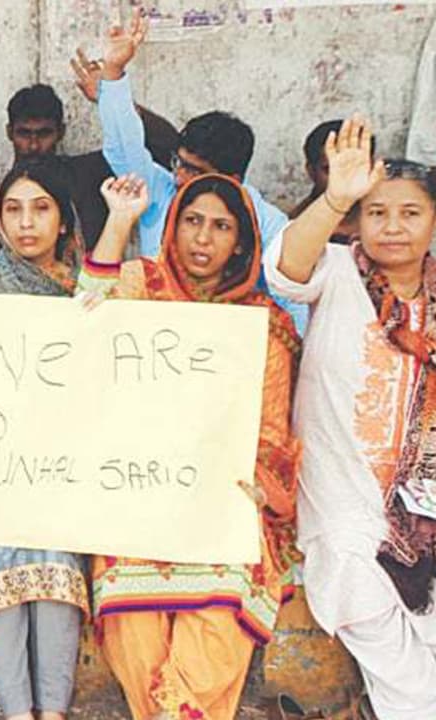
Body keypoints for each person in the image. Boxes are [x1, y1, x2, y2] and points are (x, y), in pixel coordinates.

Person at [76, 171, 301, 720]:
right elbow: (85, 310)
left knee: (217, 626)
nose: (203, 239)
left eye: (221, 227)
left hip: (219, 507)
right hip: (136, 498)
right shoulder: (138, 285)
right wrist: (121, 220)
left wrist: (258, 489)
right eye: (193, 222)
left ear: (242, 242)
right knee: (136, 623)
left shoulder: (264, 324)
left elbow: (271, 432)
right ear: (172, 228)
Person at [0, 161, 136, 720]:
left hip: (66, 461)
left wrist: (120, 221)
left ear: (63, 217)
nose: (27, 223)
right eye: (13, 209)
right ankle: (15, 711)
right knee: (0, 581)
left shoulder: (83, 286)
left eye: (41, 208)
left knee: (57, 580)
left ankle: (52, 711)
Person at [266, 116, 436, 719]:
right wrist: (335, 196)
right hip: (344, 505)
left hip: (425, 508)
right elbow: (282, 269)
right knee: (401, 663)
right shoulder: (338, 271)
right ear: (358, 222)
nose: (392, 226)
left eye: (410, 213)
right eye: (377, 211)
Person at [94, 10, 307, 332]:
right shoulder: (160, 191)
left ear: (231, 181)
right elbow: (125, 149)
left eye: (221, 226)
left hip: (226, 347)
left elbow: (293, 296)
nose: (180, 177)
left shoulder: (268, 224)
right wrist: (113, 72)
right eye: (179, 163)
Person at [0, 78, 177, 251]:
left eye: (44, 133)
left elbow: (165, 148)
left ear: (60, 132)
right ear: (10, 132)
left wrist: (111, 99)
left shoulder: (90, 175)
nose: (34, 145)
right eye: (24, 133)